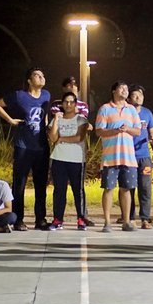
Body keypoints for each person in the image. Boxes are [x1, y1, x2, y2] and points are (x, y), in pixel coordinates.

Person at [0, 67, 51, 231]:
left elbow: (44, 116)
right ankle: (18, 220)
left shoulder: (46, 95)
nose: (41, 77)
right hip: (23, 146)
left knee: (41, 185)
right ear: (29, 80)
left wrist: (47, 130)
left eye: (43, 75)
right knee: (20, 184)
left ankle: (41, 219)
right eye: (37, 75)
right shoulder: (19, 95)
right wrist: (10, 120)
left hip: (41, 147)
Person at [94, 81, 141, 232]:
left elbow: (138, 131)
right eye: (122, 88)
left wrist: (128, 129)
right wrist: (115, 131)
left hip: (128, 157)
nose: (125, 91)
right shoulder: (105, 109)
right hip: (110, 157)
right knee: (108, 188)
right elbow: (99, 131)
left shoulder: (131, 110)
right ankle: (107, 222)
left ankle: (126, 221)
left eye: (127, 88)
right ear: (113, 91)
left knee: (126, 189)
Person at [49, 76, 95, 226]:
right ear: (62, 104)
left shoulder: (81, 119)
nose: (68, 104)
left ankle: (81, 218)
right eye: (66, 102)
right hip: (58, 159)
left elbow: (79, 138)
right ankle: (58, 219)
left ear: (76, 104)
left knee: (78, 190)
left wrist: (61, 139)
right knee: (59, 191)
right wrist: (56, 120)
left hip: (76, 159)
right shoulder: (57, 119)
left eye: (71, 102)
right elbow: (52, 137)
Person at [125, 84, 153, 229]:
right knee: (129, 187)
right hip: (128, 156)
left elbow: (152, 134)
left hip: (144, 157)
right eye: (135, 95)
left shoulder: (147, 113)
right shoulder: (125, 112)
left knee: (145, 187)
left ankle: (145, 218)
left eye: (141, 95)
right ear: (129, 98)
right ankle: (130, 217)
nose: (139, 98)